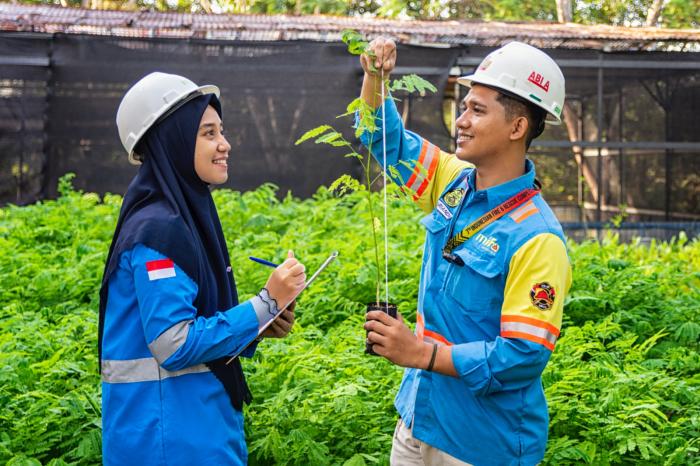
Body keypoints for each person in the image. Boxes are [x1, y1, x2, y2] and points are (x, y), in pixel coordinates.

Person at [360, 38, 572, 465]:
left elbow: (523, 356)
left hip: (479, 445)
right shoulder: (452, 181)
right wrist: (374, 78)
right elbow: (383, 140)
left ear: (517, 128)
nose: (461, 121)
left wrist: (419, 353)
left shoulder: (538, 238)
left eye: (478, 110)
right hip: (418, 420)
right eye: (463, 107)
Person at [98, 72, 306, 465]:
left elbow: (191, 326)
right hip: (165, 443)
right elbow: (173, 342)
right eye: (208, 133)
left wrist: (261, 322)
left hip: (195, 432)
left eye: (221, 131)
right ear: (173, 140)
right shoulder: (157, 230)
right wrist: (263, 303)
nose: (225, 144)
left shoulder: (183, 217)